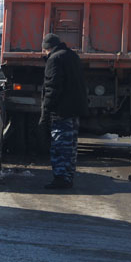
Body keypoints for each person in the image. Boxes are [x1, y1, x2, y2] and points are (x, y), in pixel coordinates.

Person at [39, 33, 88, 189]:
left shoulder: (55, 60)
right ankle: (68, 176)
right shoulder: (72, 56)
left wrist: (45, 112)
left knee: (60, 145)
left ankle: (61, 177)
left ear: (47, 48)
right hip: (74, 110)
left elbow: (52, 88)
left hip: (61, 110)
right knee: (71, 146)